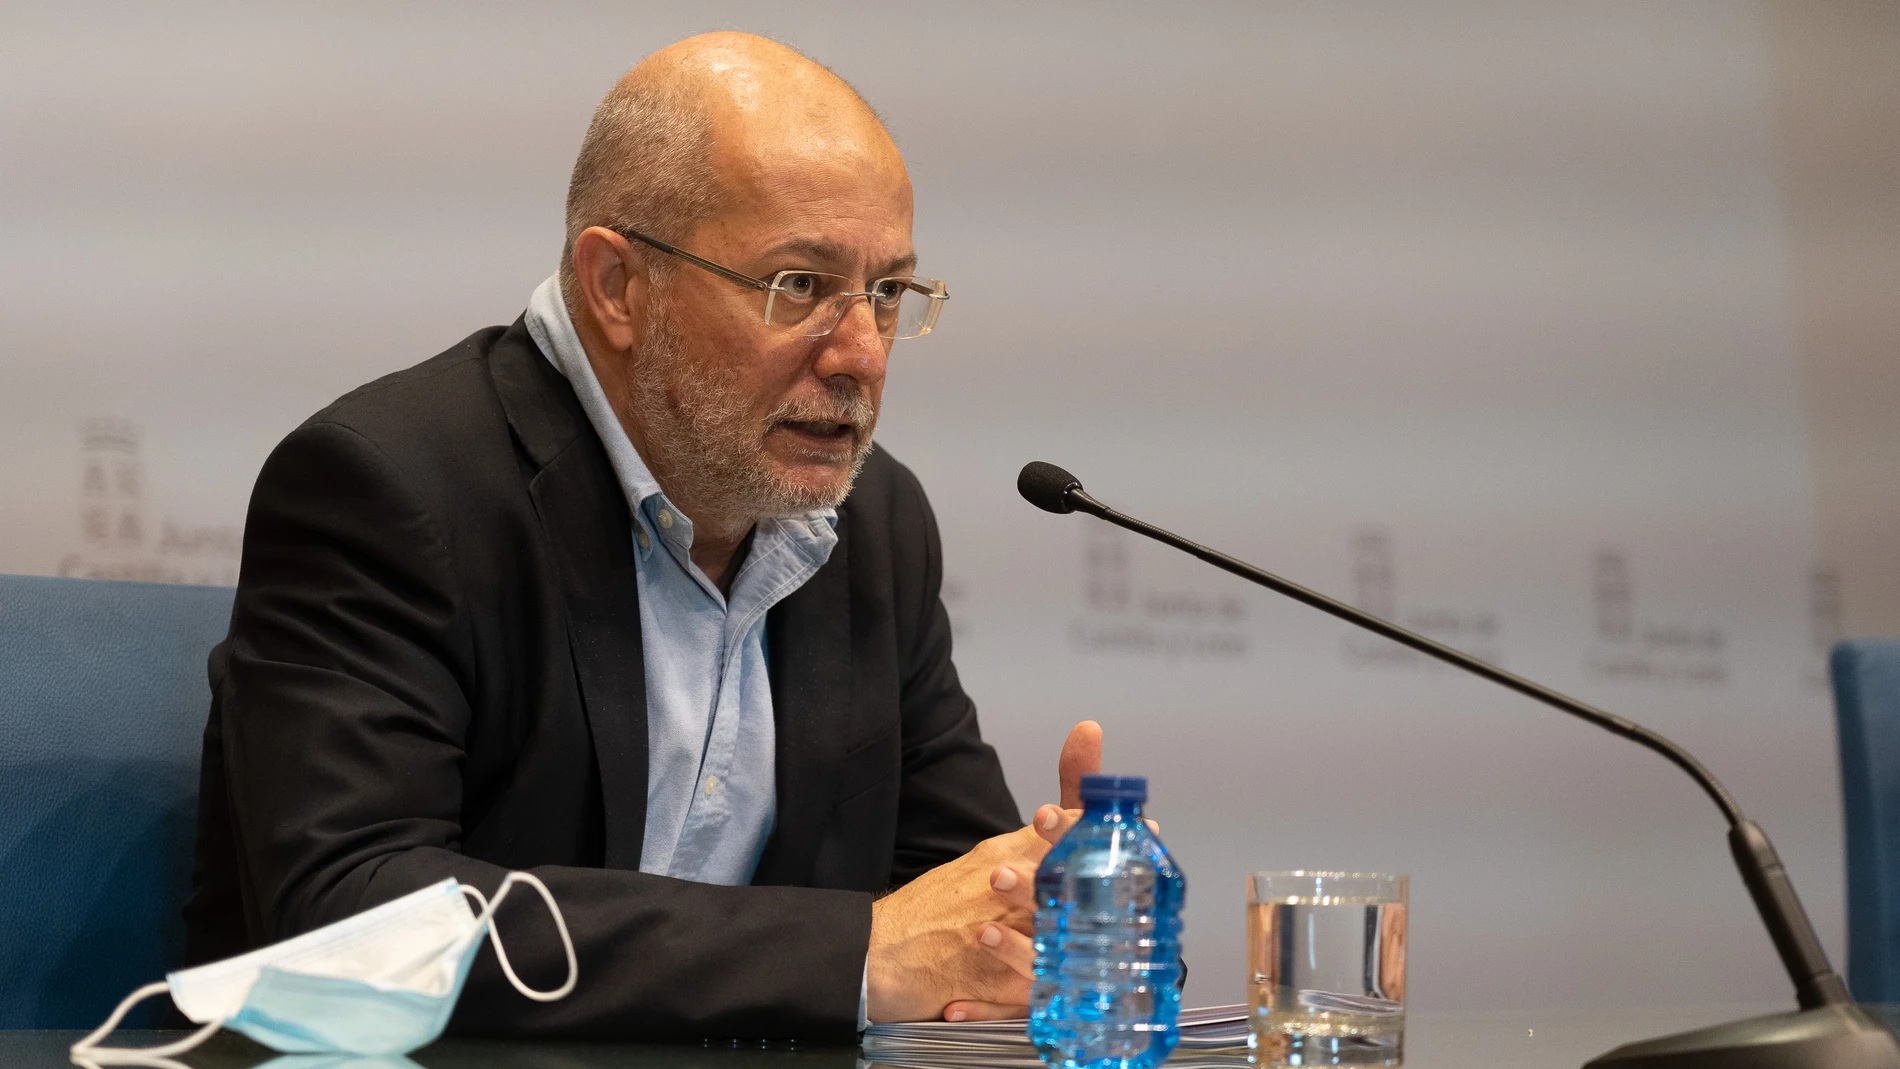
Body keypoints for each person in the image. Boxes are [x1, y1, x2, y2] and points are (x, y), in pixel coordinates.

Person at [183, 31, 1107, 1039]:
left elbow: (950, 904)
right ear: (617, 287)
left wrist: (1060, 913)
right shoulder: (394, 489)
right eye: (798, 285)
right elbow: (350, 910)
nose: (861, 355)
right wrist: (854, 956)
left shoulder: (873, 525)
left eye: (887, 294)